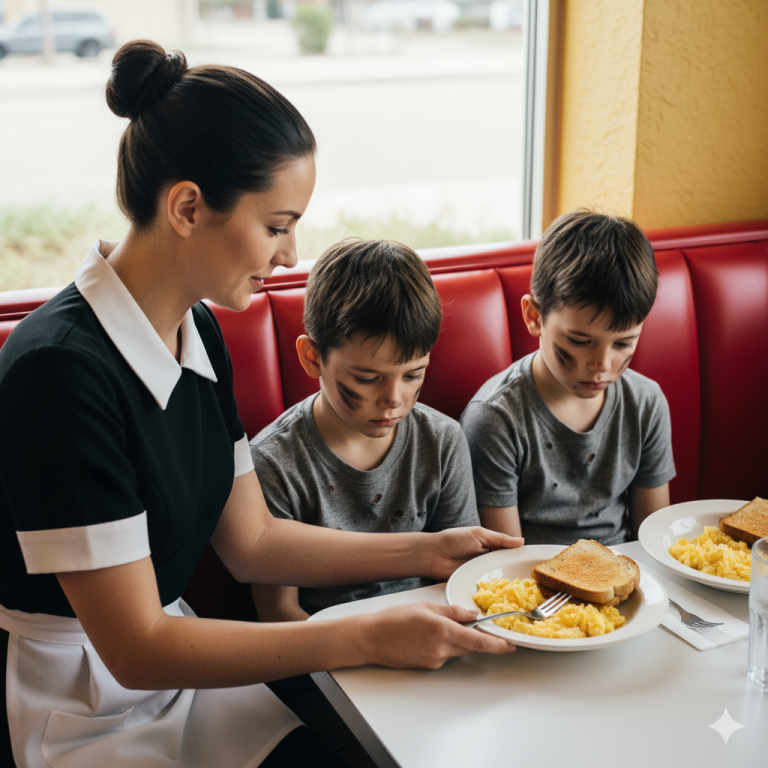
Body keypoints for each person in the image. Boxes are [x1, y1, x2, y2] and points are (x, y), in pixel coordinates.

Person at [0, 40, 521, 768]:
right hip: (78, 701)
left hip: (182, 673)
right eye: (277, 225)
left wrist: (430, 550)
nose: (290, 255)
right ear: (187, 206)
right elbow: (135, 648)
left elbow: (252, 543)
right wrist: (364, 635)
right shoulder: (58, 373)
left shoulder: (198, 328)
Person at [250, 238, 481, 622]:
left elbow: (465, 580)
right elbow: (279, 612)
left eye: (413, 375)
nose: (394, 399)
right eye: (368, 378)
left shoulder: (442, 441)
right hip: (323, 647)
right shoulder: (274, 461)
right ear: (312, 357)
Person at [460, 209, 676, 546]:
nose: (602, 365)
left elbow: (653, 541)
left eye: (623, 343)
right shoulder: (495, 419)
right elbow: (504, 559)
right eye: (579, 341)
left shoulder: (646, 404)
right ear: (534, 317)